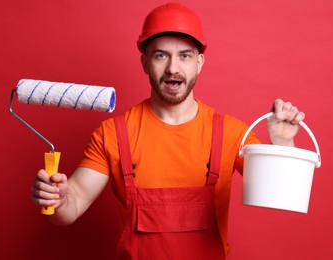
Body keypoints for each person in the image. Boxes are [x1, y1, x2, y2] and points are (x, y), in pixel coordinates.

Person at [32, 3, 305, 259]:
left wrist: (282, 144)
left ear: (199, 63)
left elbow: (282, 194)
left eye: (184, 56)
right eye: (161, 55)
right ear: (145, 63)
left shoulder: (231, 133)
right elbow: (73, 204)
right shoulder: (114, 133)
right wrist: (58, 198)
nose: (173, 68)